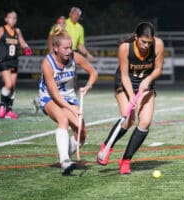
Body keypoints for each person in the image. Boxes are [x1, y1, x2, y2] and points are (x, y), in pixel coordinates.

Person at [96, 22, 164, 175]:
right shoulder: (125, 48)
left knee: (145, 122)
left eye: (149, 42)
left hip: (146, 83)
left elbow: (158, 69)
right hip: (124, 82)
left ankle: (126, 160)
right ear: (136, 37)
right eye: (143, 42)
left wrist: (148, 79)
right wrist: (132, 96)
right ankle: (107, 145)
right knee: (128, 120)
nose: (146, 45)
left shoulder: (158, 45)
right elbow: (125, 76)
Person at [39, 25, 98, 175]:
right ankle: (64, 161)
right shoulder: (47, 64)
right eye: (65, 48)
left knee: (82, 133)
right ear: (56, 48)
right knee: (63, 119)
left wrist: (87, 86)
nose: (69, 51)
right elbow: (55, 95)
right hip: (50, 97)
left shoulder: (75, 57)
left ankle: (65, 155)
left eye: (70, 47)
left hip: (70, 97)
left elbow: (93, 72)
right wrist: (72, 109)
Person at [0, 10, 32, 119]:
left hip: (13, 60)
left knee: (12, 87)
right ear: (6, 19)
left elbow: (22, 42)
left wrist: (26, 48)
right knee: (8, 84)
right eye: (10, 17)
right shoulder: (1, 29)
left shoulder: (17, 31)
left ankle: (9, 110)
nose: (13, 20)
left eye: (14, 18)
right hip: (2, 60)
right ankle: (2, 105)